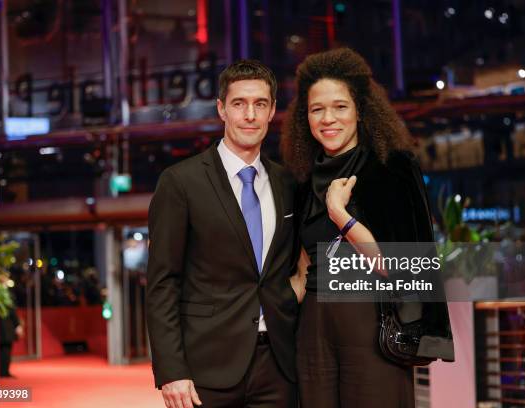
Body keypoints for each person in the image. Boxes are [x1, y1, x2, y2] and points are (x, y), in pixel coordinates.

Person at [282, 48, 454, 408]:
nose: (328, 118)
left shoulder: (391, 168)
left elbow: (404, 267)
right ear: (305, 117)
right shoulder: (300, 178)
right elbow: (300, 267)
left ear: (360, 110)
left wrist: (339, 214)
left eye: (340, 106)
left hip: (372, 323)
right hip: (312, 329)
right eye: (317, 109)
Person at [146, 60, 299, 408]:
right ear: (221, 109)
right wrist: (171, 369)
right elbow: (162, 282)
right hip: (205, 369)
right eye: (239, 104)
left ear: (273, 111)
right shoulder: (181, 182)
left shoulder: (286, 183)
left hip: (279, 365)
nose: (250, 115)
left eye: (260, 104)